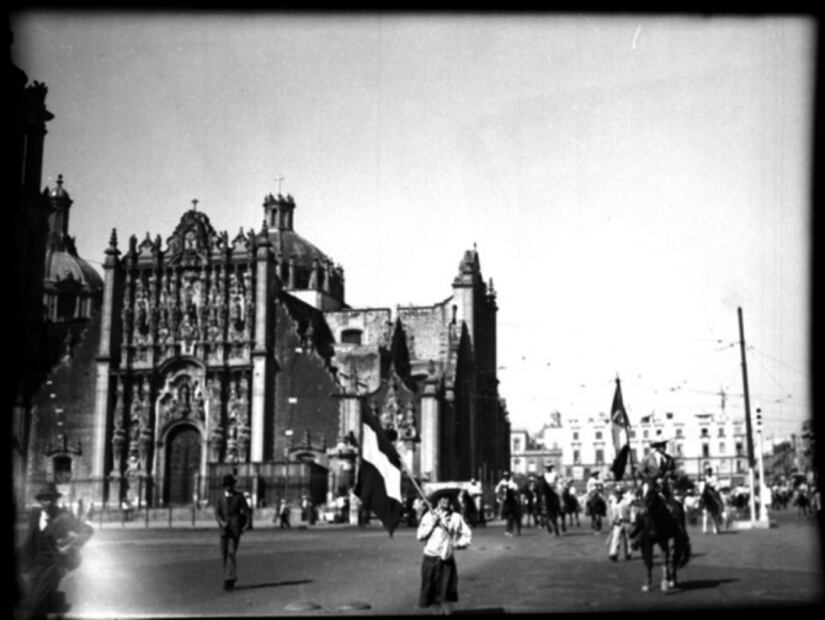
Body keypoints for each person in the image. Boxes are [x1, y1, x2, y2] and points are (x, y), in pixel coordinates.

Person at [18, 482, 94, 619]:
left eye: (49, 499)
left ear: (54, 500)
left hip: (53, 566)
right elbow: (30, 539)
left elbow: (87, 531)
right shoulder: (35, 515)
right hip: (36, 565)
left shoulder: (63, 517)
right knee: (30, 602)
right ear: (39, 500)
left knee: (36, 608)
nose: (46, 502)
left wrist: (68, 547)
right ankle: (58, 602)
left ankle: (55, 603)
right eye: (43, 498)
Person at [416, 495, 472, 615]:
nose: (445, 500)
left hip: (446, 561)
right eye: (442, 498)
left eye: (448, 498)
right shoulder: (429, 516)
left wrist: (459, 544)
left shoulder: (456, 517)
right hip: (430, 559)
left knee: (447, 594)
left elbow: (467, 535)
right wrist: (433, 524)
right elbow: (420, 536)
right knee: (432, 595)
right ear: (437, 500)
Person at [215, 474, 251, 591]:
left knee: (231, 552)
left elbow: (246, 512)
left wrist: (246, 525)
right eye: (226, 486)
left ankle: (228, 579)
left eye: (230, 485)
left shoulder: (239, 497)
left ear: (233, 485)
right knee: (224, 555)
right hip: (224, 530)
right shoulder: (220, 498)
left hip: (235, 529)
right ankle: (230, 578)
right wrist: (221, 522)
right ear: (224, 487)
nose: (229, 488)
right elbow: (217, 513)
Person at [607, 484, 632, 561]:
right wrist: (611, 521)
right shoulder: (613, 502)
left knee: (627, 539)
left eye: (620, 493)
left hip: (626, 521)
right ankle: (613, 554)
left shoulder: (626, 501)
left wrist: (631, 520)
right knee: (615, 538)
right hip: (617, 523)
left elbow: (630, 512)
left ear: (622, 493)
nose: (618, 494)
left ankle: (628, 553)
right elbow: (610, 512)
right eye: (617, 493)